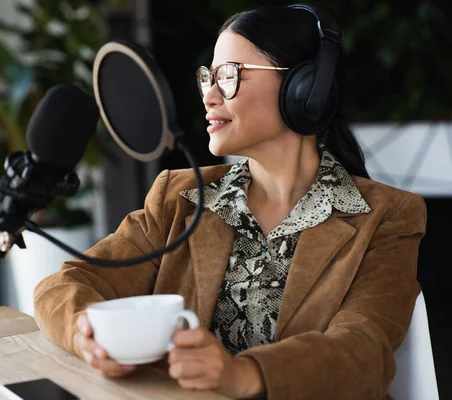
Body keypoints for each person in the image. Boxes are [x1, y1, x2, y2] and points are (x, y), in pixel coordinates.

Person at [33, 4, 426, 400]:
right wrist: (86, 334)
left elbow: (363, 349)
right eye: (208, 77)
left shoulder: (387, 215)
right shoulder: (178, 198)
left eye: (229, 76)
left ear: (306, 90)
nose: (209, 95)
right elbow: (64, 285)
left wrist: (243, 376)